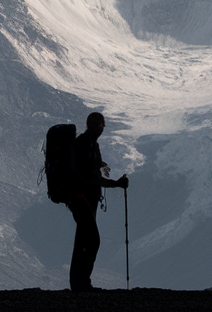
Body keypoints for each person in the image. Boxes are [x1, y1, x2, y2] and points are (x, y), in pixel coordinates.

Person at [66, 111, 128, 292]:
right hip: (82, 199)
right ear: (97, 125)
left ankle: (78, 284)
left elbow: (86, 172)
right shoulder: (88, 145)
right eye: (101, 124)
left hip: (81, 199)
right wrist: (116, 184)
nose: (101, 128)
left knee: (83, 241)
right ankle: (82, 284)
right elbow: (92, 178)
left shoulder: (85, 144)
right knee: (92, 240)